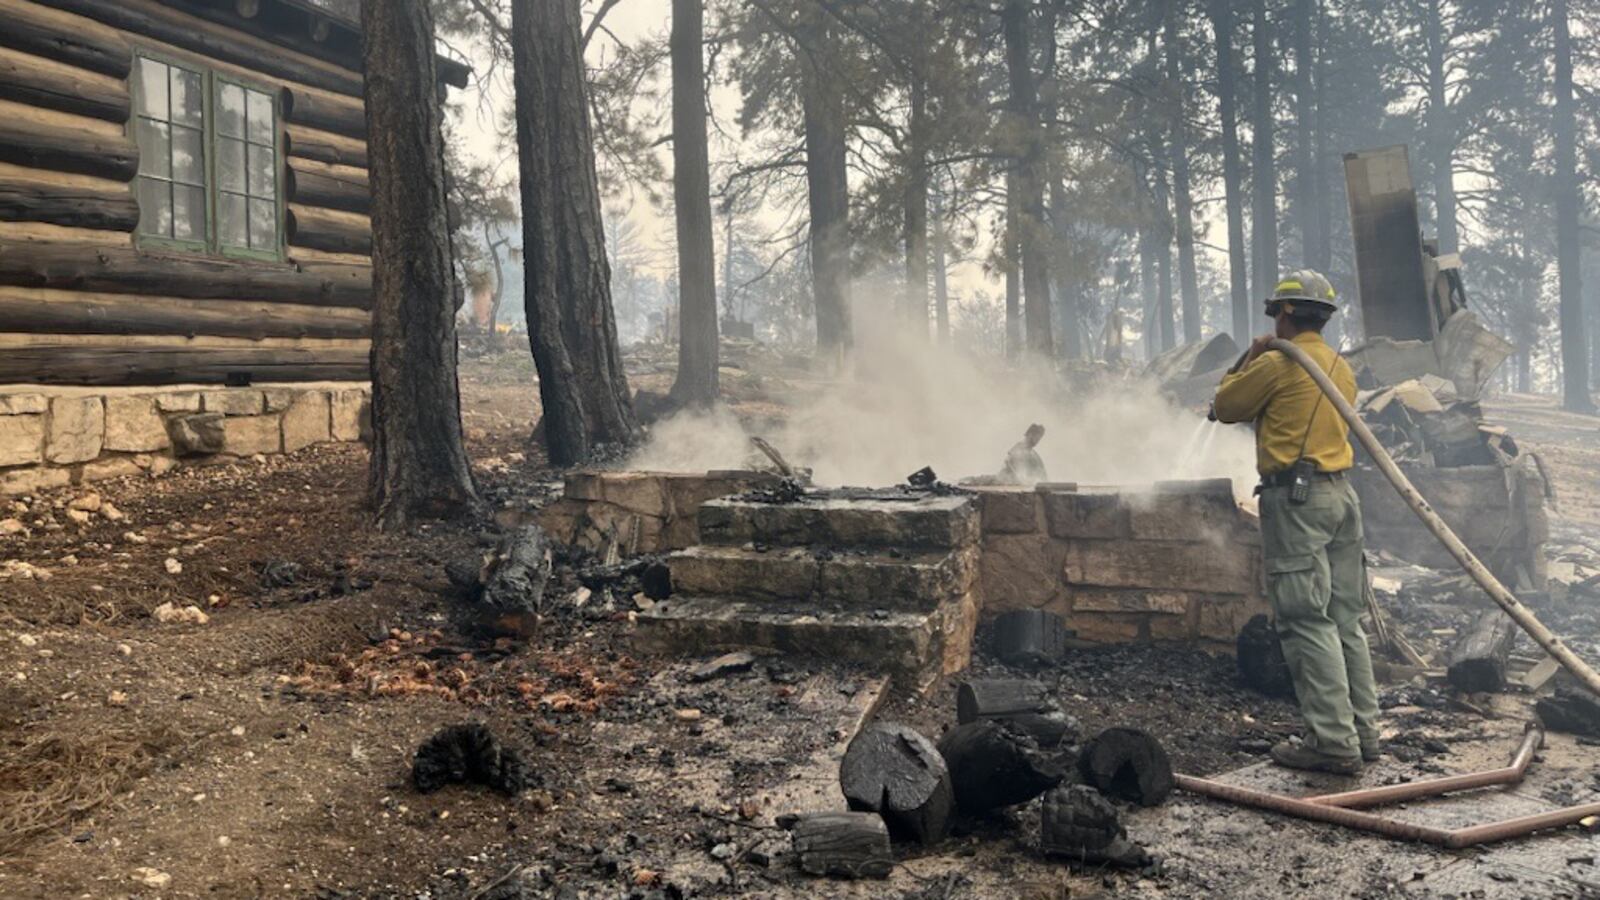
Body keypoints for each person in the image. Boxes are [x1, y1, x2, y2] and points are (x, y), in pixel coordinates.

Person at [1211, 270, 1379, 775]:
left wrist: (1253, 354)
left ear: (1283, 314)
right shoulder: (1339, 366)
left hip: (1297, 503)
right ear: (1323, 316)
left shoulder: (1280, 363)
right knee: (1345, 619)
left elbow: (1224, 406)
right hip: (1341, 498)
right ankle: (1363, 734)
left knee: (1306, 621)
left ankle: (1331, 743)